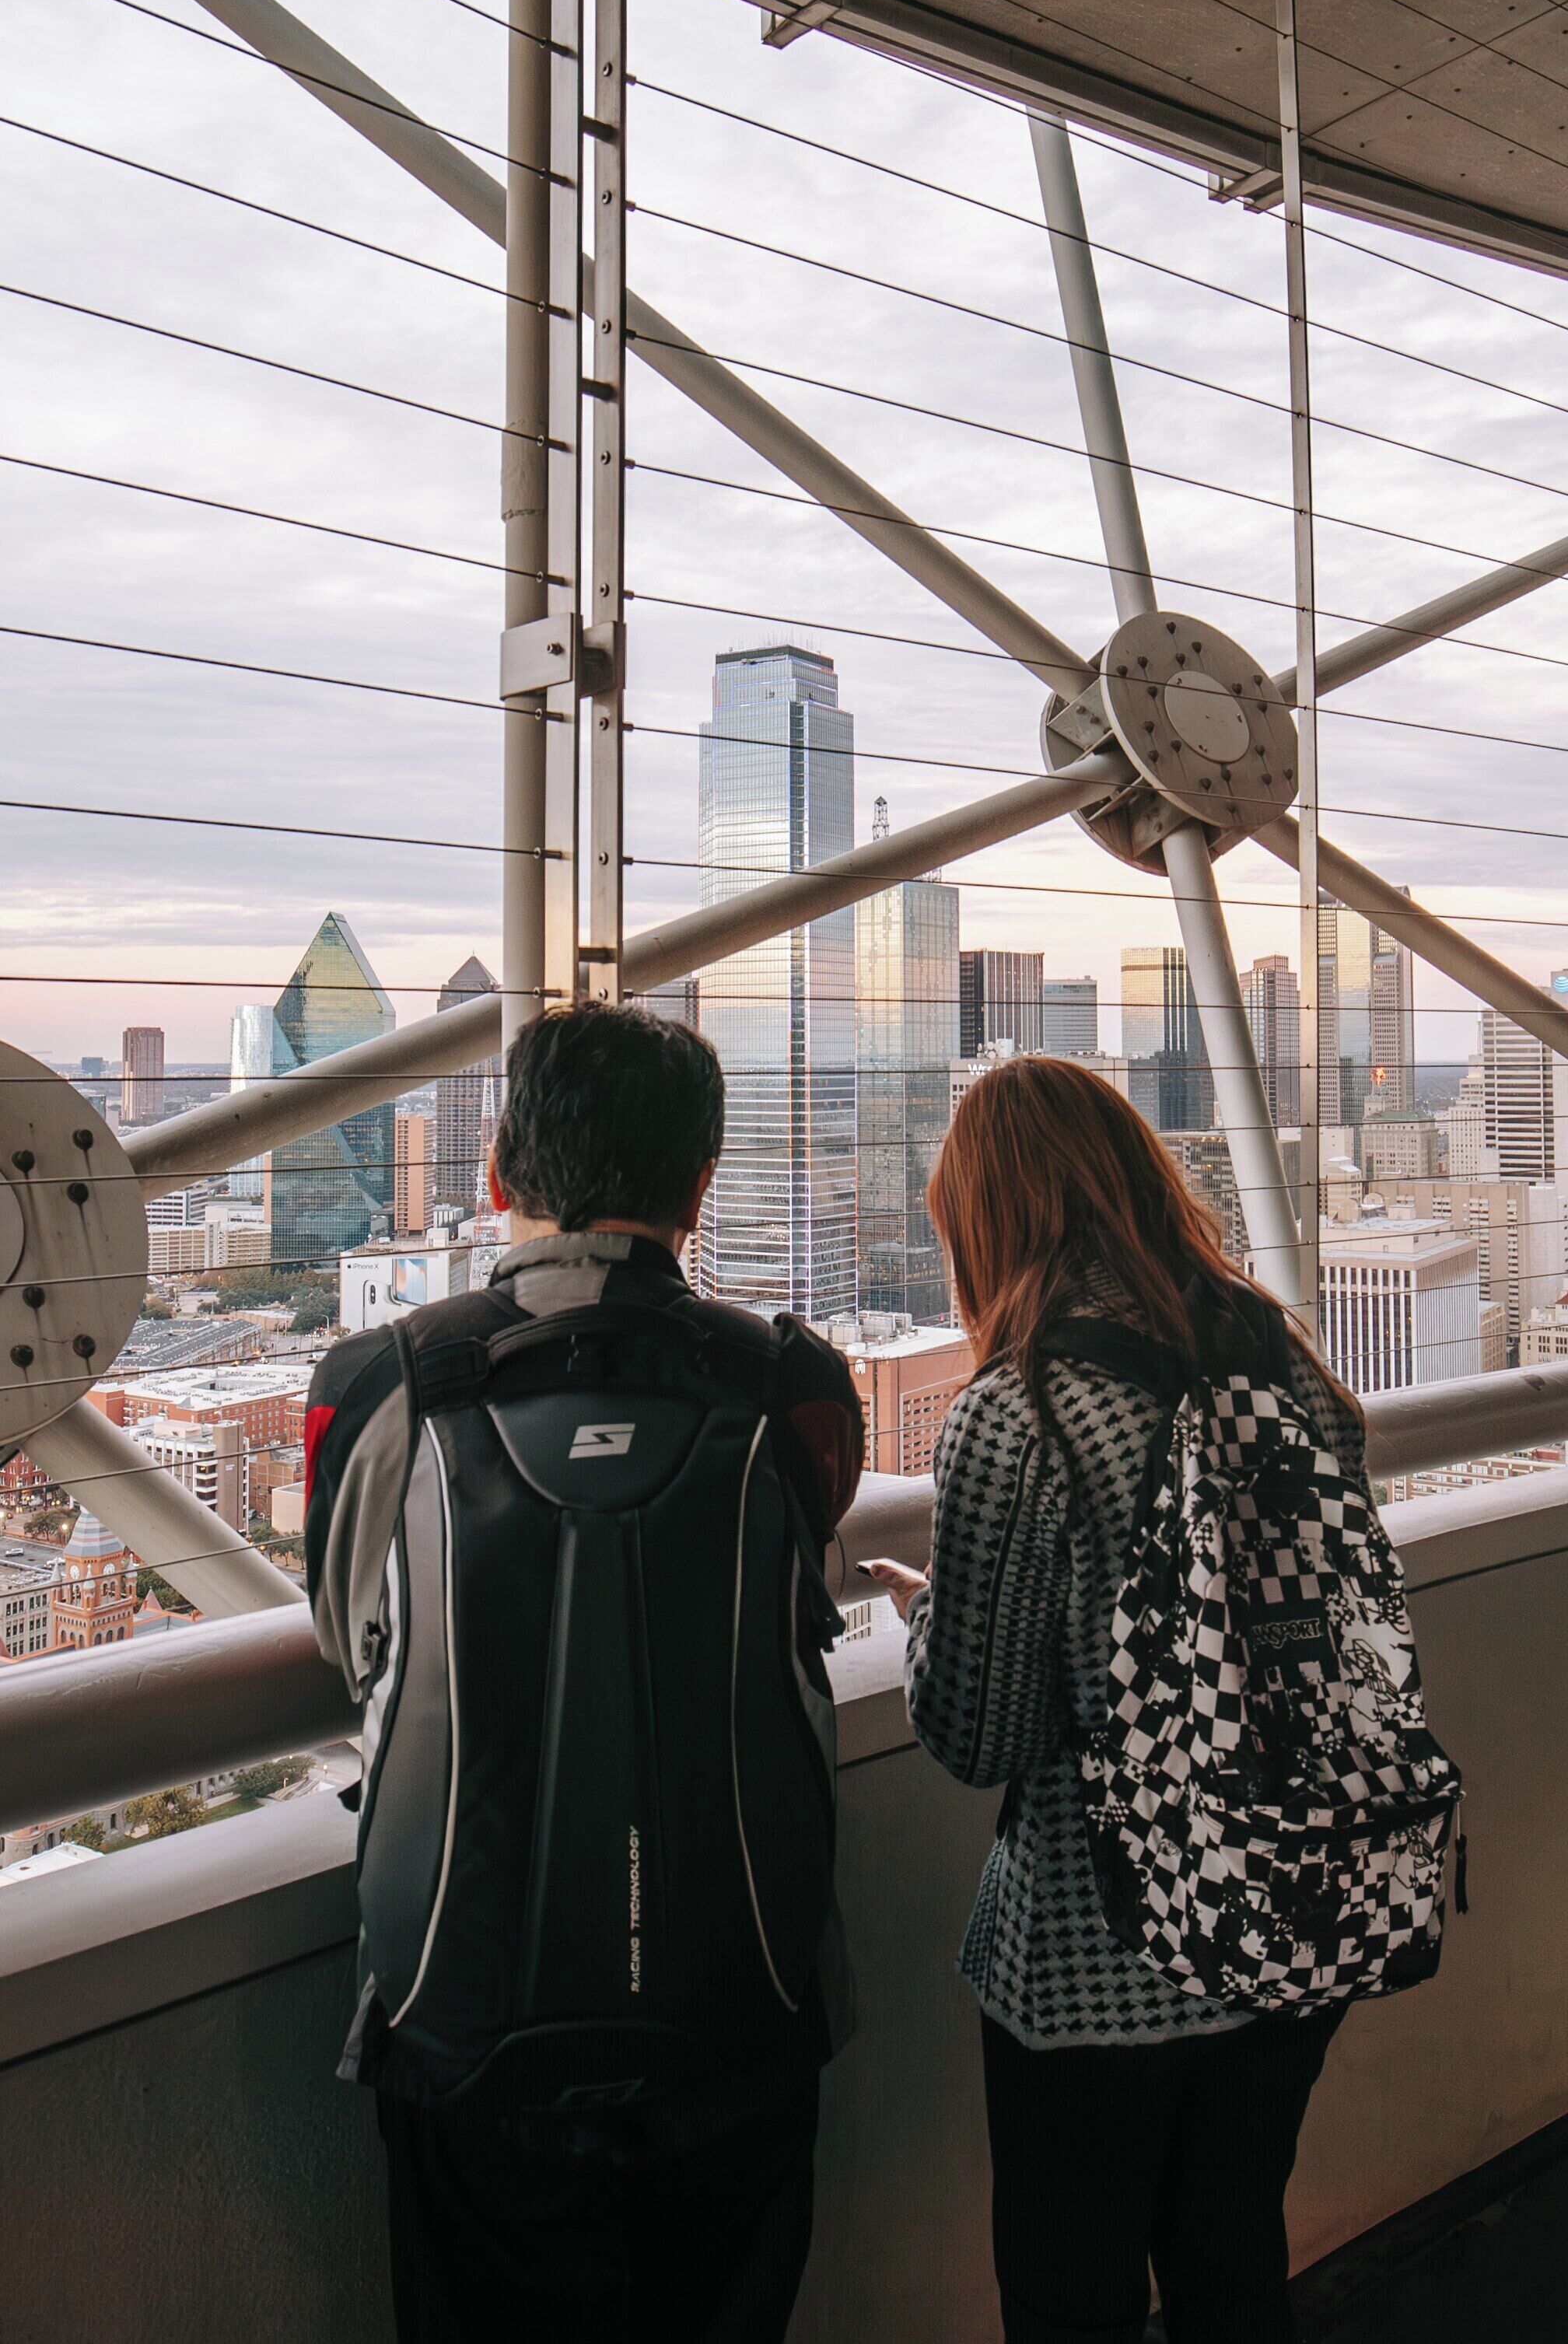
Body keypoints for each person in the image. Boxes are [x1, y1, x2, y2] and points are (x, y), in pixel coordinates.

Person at [305, 1001, 863, 2344]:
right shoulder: (797, 1386)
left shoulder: (382, 1384)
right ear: (701, 1186)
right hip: (742, 2002)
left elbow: (347, 1638)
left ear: (497, 1172)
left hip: (462, 2008)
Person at [862, 1055, 1370, 2344]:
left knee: (1070, 2298)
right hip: (1291, 1926)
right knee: (1233, 2266)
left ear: (990, 1220)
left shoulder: (1020, 1410)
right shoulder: (1283, 1363)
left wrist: (924, 1614)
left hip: (1104, 1961)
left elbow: (978, 1736)